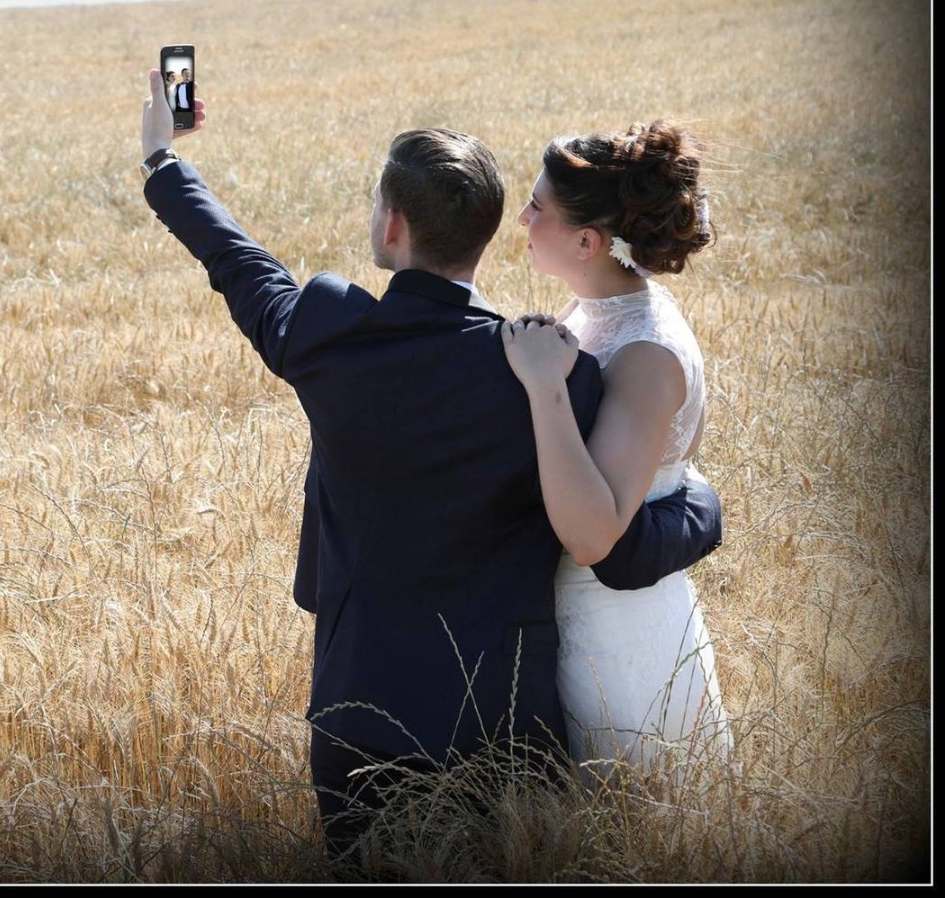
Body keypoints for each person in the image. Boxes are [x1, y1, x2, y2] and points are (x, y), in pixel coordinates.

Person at [135, 72, 723, 861]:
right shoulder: (559, 371)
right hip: (509, 712)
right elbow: (609, 525)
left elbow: (236, 260)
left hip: (360, 698)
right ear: (484, 232)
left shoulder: (327, 332)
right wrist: (696, 513)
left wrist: (161, 160)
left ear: (391, 222)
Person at [502, 121, 732, 781]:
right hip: (584, 621)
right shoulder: (595, 310)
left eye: (537, 206)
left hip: (621, 641)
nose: (521, 216)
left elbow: (594, 535)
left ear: (586, 240)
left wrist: (544, 386)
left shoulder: (645, 355)